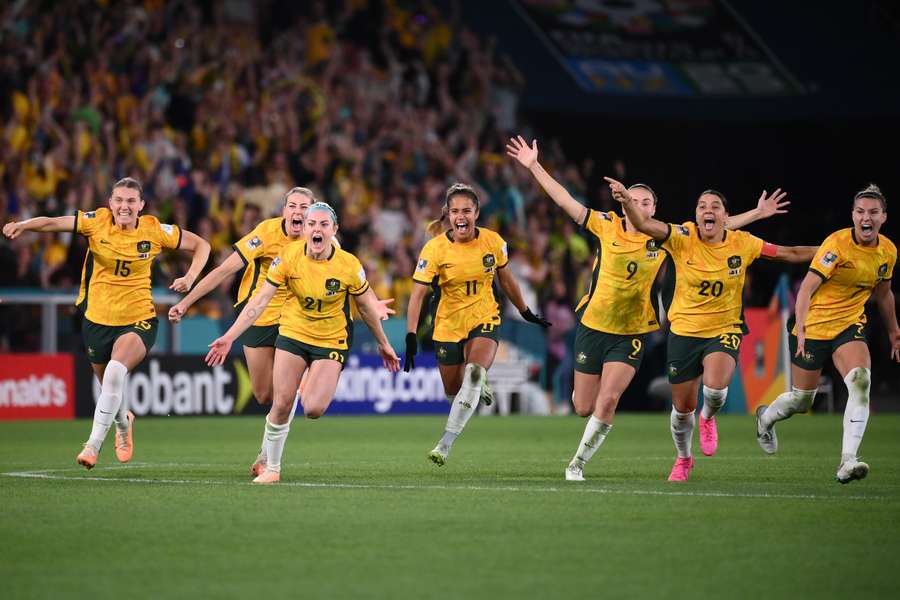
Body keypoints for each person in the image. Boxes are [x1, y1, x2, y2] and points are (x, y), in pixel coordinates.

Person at [507, 136, 788, 480]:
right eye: (633, 199)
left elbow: (715, 226)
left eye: (646, 202)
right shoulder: (604, 223)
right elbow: (564, 199)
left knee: (608, 400)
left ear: (653, 209)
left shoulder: (664, 236)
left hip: (632, 332)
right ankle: (591, 438)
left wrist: (756, 214)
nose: (638, 205)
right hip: (593, 326)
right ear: (623, 201)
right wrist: (534, 165)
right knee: (583, 407)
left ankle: (576, 463)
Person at [168, 187, 394, 475]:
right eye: (292, 206)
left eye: (305, 207)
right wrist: (187, 301)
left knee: (283, 398)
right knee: (264, 394)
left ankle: (267, 459)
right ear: (284, 210)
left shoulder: (323, 236)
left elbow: (351, 274)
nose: (298, 212)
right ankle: (287, 411)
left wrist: (373, 304)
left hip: (296, 319)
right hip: (258, 316)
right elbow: (225, 270)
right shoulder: (267, 233)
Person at [607, 176, 816, 481]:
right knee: (682, 408)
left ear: (725, 216)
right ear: (695, 215)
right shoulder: (681, 236)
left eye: (715, 206)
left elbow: (790, 253)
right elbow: (645, 226)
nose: (708, 210)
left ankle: (708, 417)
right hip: (683, 332)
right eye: (702, 206)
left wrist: (833, 252)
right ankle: (683, 459)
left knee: (716, 389)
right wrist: (627, 201)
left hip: (724, 328)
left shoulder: (743, 243)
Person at [2, 177, 210, 468]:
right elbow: (52, 223)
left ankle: (92, 445)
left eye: (130, 201)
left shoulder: (154, 230)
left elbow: (202, 245)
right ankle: (124, 424)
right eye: (119, 201)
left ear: (141, 205)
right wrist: (24, 225)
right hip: (97, 320)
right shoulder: (96, 222)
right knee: (109, 385)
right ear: (110, 203)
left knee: (114, 373)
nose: (124, 207)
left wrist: (189, 278)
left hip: (139, 318)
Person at [756, 184, 898, 483]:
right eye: (860, 212)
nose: (866, 217)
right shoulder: (836, 244)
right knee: (802, 401)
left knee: (861, 382)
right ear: (853, 215)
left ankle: (848, 460)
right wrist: (803, 325)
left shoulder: (888, 251)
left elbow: (884, 294)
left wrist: (894, 330)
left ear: (883, 217)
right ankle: (766, 418)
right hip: (813, 327)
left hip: (848, 326)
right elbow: (807, 286)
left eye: (873, 212)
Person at [404, 182, 551, 466]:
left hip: (485, 317)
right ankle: (477, 382)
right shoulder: (434, 249)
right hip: (447, 325)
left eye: (467, 211)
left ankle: (445, 444)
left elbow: (506, 280)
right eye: (456, 211)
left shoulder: (493, 242)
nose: (461, 217)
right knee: (453, 389)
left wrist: (524, 310)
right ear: (447, 214)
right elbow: (418, 295)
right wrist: (411, 334)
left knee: (472, 372)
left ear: (477, 213)